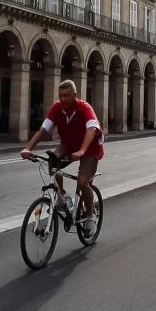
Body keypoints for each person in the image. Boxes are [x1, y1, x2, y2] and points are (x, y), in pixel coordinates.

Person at [21, 79, 104, 235]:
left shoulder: (84, 108)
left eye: (67, 95)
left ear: (75, 95)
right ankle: (63, 196)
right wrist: (28, 148)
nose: (63, 99)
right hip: (68, 144)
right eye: (61, 96)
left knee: (82, 181)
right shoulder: (57, 108)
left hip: (90, 148)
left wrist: (81, 151)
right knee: (53, 160)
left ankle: (90, 216)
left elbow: (92, 128)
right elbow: (43, 130)